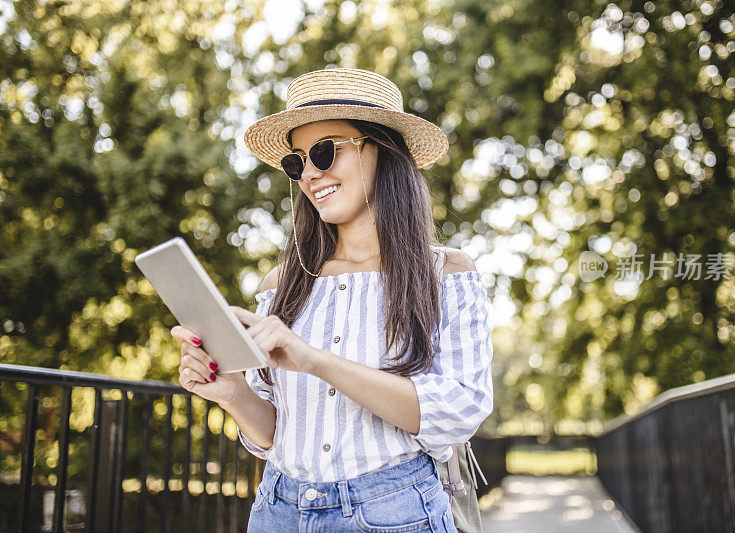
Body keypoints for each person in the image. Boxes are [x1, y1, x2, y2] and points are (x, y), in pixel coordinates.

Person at [170, 67, 494, 532]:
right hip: (277, 511)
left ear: (381, 149)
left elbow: (458, 411)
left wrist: (314, 360)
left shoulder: (446, 274)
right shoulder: (281, 284)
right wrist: (233, 392)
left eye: (325, 151)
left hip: (393, 514)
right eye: (297, 162)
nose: (311, 174)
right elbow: (273, 433)